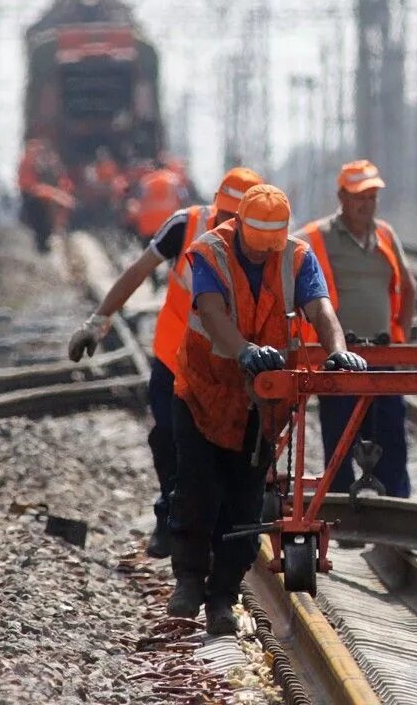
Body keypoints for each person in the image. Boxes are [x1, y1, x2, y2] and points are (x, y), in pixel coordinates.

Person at [168, 184, 366, 634]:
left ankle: (222, 597)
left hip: (259, 403)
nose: (261, 256)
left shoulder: (295, 256)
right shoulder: (210, 253)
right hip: (203, 390)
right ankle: (187, 579)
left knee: (244, 501)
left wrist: (338, 350)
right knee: (197, 488)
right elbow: (214, 314)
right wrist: (244, 351)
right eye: (256, 246)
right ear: (239, 227)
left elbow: (320, 309)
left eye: (269, 247)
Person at [67, 167, 264, 558]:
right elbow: (137, 272)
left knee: (229, 449)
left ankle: (224, 530)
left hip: (230, 366)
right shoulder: (185, 225)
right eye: (224, 215)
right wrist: (98, 321)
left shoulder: (263, 241)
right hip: (176, 356)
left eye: (237, 218)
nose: (228, 225)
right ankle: (169, 518)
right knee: (168, 438)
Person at [295, 160, 417, 498]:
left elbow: (408, 287)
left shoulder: (386, 235)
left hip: (382, 352)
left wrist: (400, 338)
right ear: (342, 197)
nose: (367, 204)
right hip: (339, 356)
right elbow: (285, 263)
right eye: (359, 196)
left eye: (372, 196)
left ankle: (398, 506)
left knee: (391, 431)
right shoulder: (315, 237)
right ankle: (337, 508)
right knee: (339, 435)